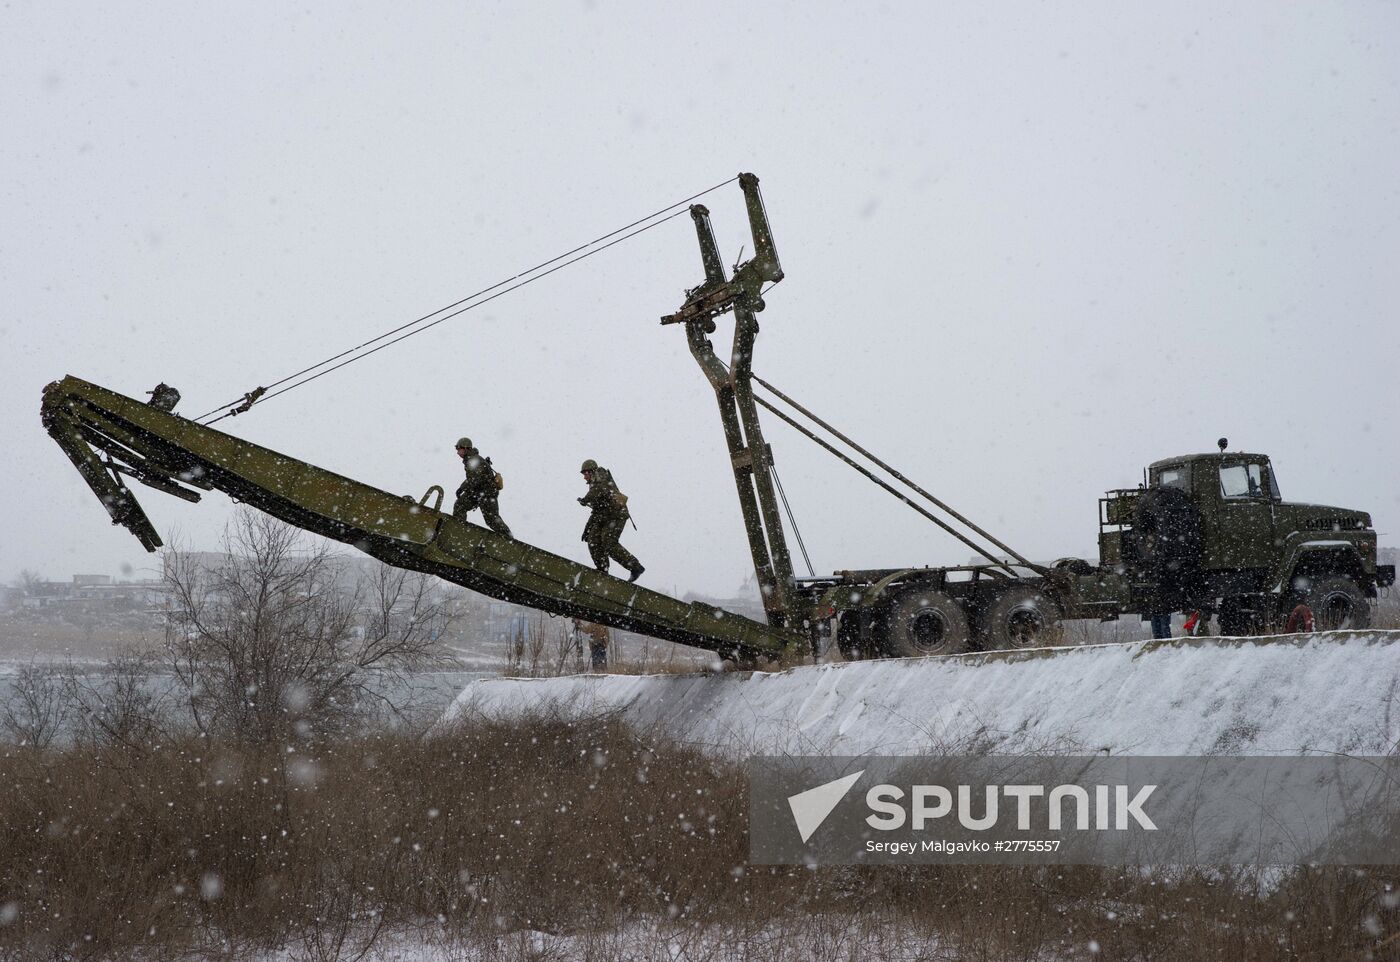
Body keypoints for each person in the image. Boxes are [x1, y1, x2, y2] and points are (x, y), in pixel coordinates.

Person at [578, 459, 644, 582]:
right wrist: (587, 529)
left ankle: (635, 567)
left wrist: (585, 499)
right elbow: (596, 511)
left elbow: (599, 489)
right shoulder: (593, 485)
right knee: (593, 540)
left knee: (608, 543)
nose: (584, 477)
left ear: (591, 471)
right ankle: (602, 569)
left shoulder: (601, 475)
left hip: (616, 516)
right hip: (604, 516)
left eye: (585, 474)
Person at [452, 437, 511, 537]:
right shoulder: (470, 459)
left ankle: (509, 539)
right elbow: (472, 479)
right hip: (478, 492)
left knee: (492, 519)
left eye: (459, 449)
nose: (457, 452)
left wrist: (463, 488)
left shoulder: (474, 460)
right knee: (460, 505)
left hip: (487, 493)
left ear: (466, 448)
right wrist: (462, 488)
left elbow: (476, 479)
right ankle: (458, 531)